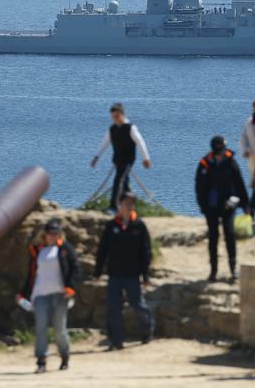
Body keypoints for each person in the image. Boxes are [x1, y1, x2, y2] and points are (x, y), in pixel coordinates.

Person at [18, 219, 80, 374]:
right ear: (44, 234)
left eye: (55, 233)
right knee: (41, 328)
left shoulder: (65, 249)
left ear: (60, 234)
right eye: (50, 233)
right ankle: (41, 361)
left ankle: (64, 355)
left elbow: (75, 269)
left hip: (60, 294)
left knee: (60, 329)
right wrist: (23, 293)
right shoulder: (37, 250)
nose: (52, 235)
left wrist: (71, 288)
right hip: (40, 294)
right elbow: (31, 274)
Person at [94, 192, 154, 350]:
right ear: (119, 205)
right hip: (114, 274)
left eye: (132, 203)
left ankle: (147, 330)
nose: (129, 206)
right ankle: (116, 341)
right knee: (113, 308)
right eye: (126, 203)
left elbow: (145, 252)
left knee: (138, 305)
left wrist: (145, 275)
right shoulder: (111, 225)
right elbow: (103, 250)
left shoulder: (139, 225)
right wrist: (97, 271)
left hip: (133, 275)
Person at [195, 136, 249, 283]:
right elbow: (199, 188)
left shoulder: (231, 163)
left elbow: (239, 184)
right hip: (211, 207)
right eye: (218, 151)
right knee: (213, 237)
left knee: (230, 235)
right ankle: (213, 271)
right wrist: (203, 207)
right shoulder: (204, 164)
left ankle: (233, 269)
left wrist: (245, 205)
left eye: (222, 150)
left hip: (228, 205)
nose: (221, 154)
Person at [91, 103, 151, 212]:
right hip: (117, 160)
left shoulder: (131, 128)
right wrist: (96, 157)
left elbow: (140, 142)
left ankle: (114, 206)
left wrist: (145, 158)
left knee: (119, 180)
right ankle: (131, 205)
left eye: (117, 116)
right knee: (124, 183)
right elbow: (104, 143)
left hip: (128, 160)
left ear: (122, 115)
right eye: (113, 116)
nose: (115, 119)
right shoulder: (112, 129)